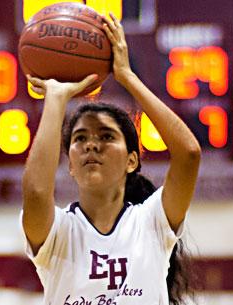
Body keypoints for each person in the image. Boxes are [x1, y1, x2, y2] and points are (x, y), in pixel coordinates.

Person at [21, 13, 201, 305]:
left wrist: (128, 77)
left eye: (106, 136)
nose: (92, 145)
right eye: (80, 138)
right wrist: (55, 98)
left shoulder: (151, 222)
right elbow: (36, 191)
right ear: (70, 164)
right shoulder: (60, 231)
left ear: (132, 160)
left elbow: (189, 154)